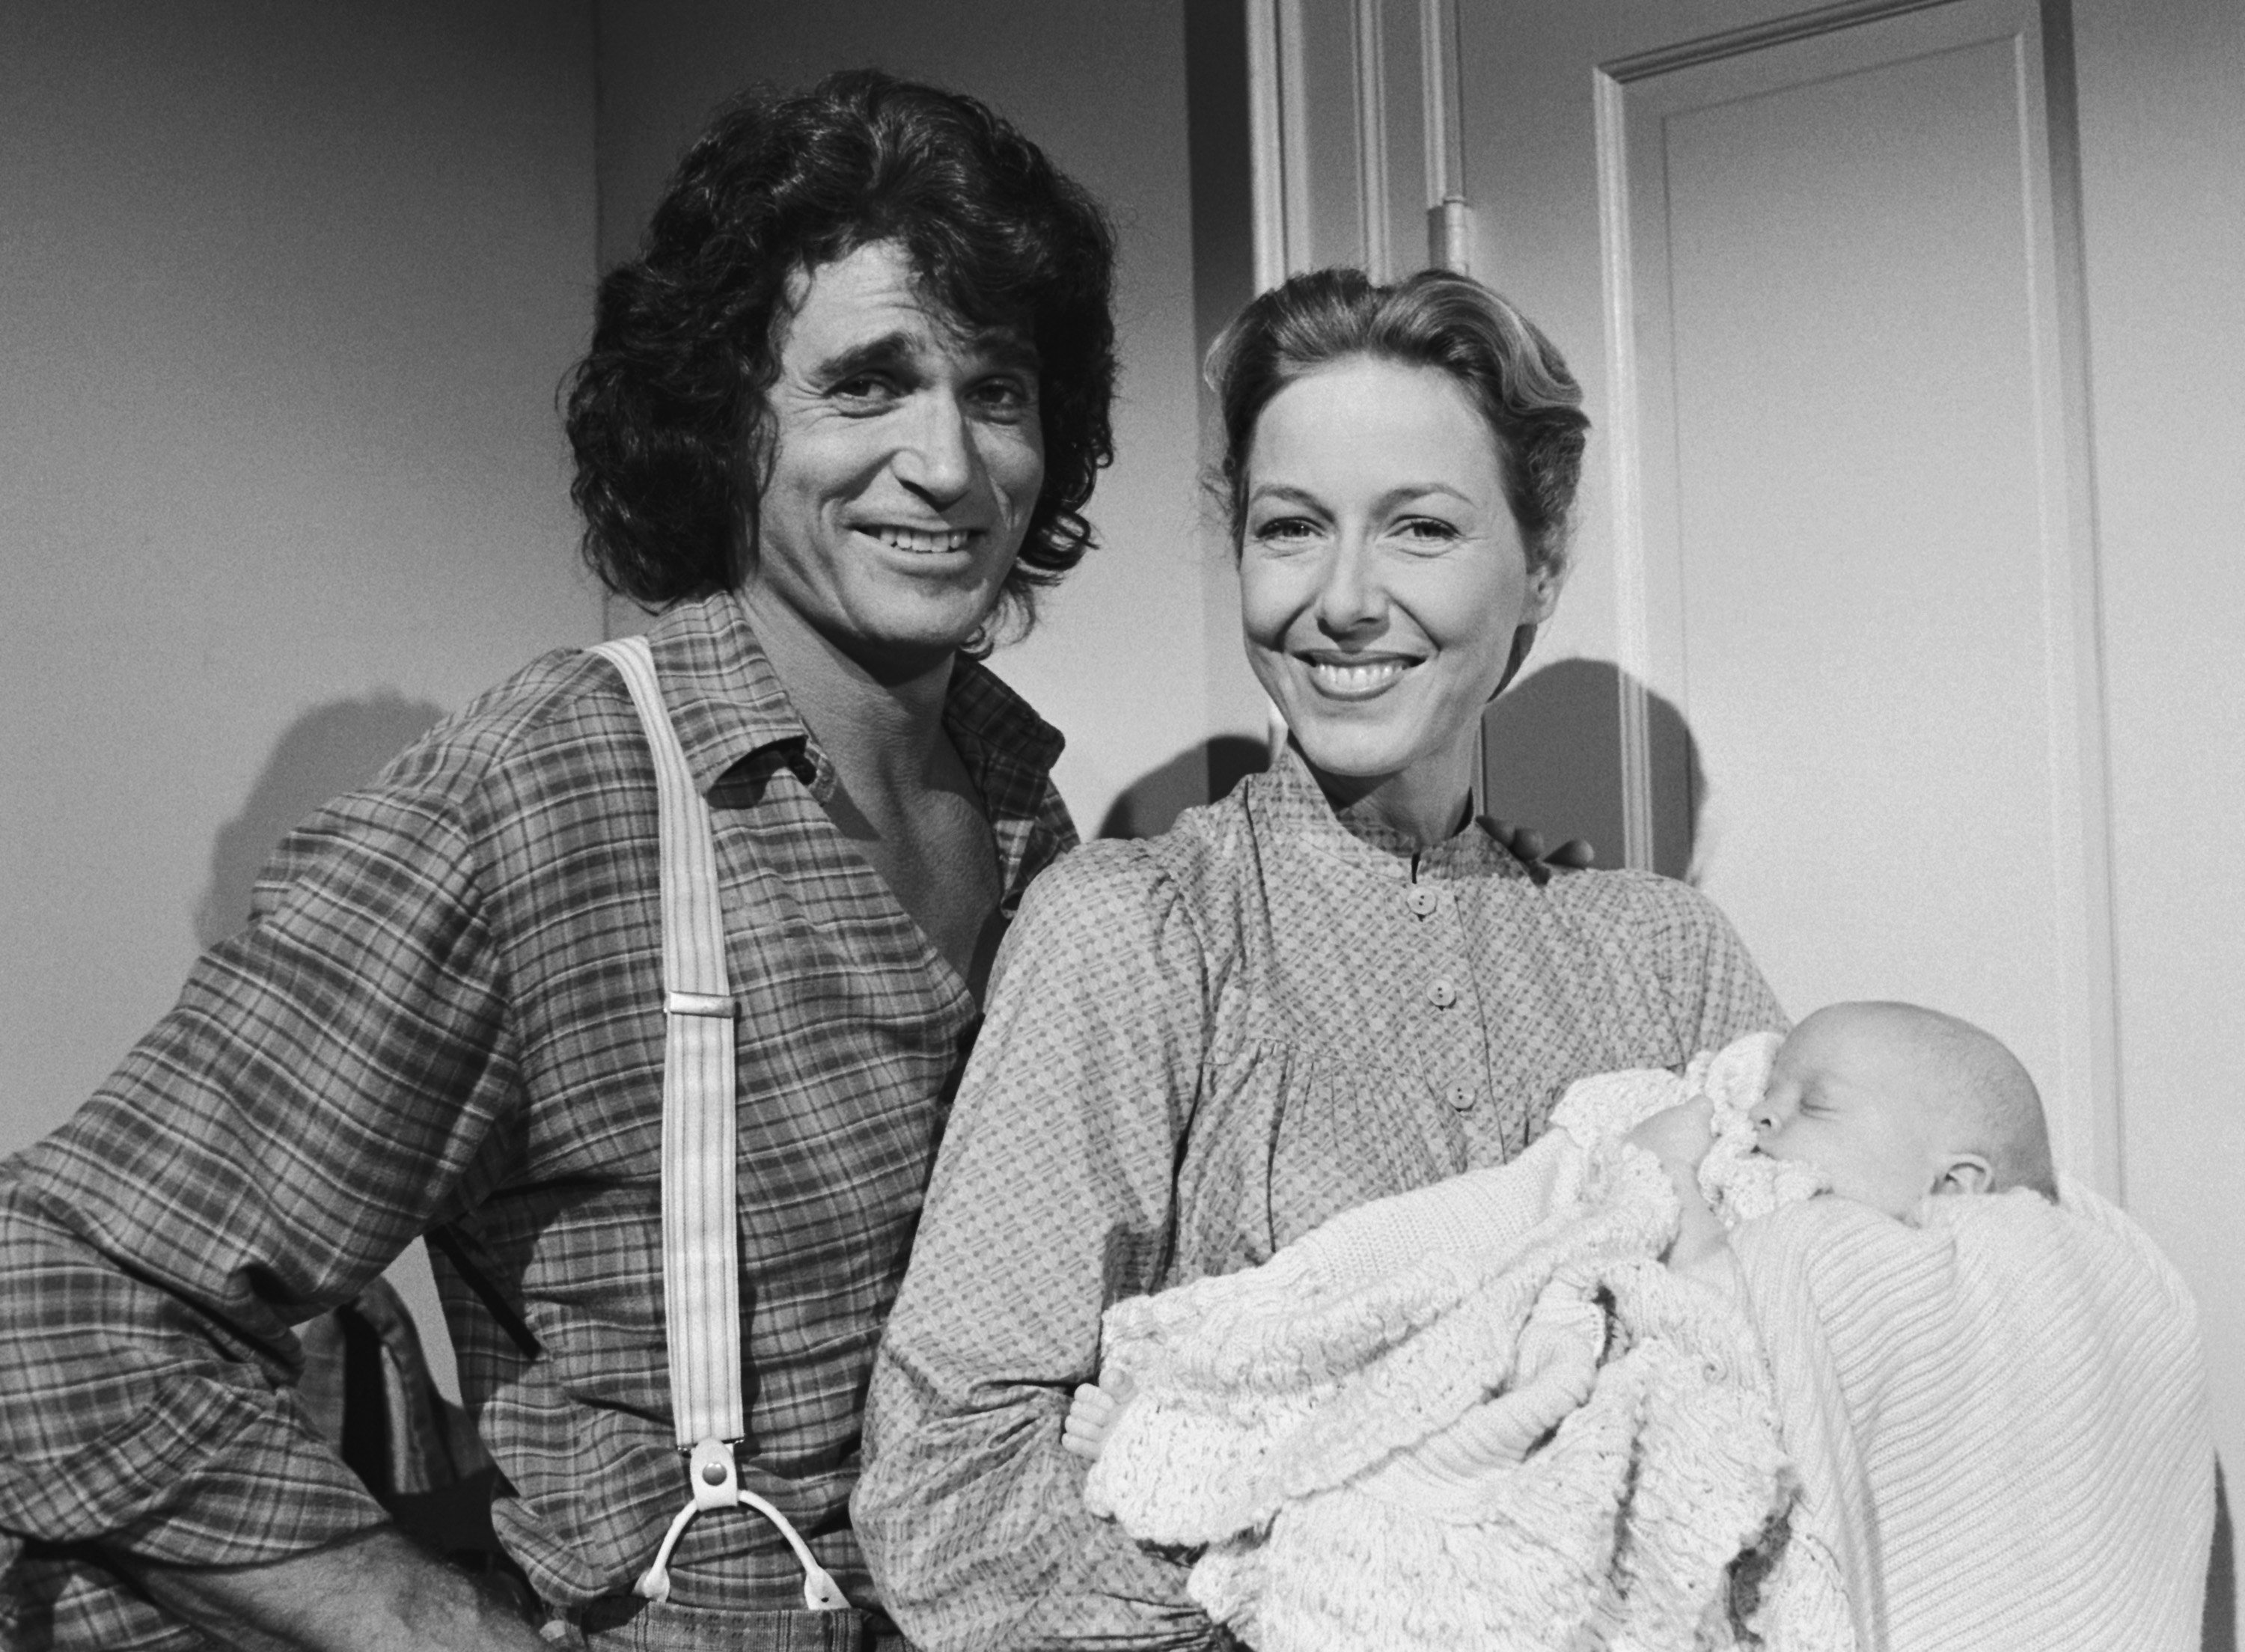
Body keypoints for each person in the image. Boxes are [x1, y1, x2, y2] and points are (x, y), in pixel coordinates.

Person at [0, 70, 1114, 1651]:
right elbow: (52, 1301)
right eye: (867, 385)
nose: (948, 462)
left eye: (997, 390)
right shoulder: (555, 788)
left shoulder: (1023, 809)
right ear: (727, 423)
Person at [854, 266, 1789, 1649]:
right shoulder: (1135, 931)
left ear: (1538, 561)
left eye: (1420, 527)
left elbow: (1809, 1375)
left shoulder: (1665, 961)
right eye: (1293, 528)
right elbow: (950, 1489)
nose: (1345, 599)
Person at [1059, 998, 2061, 1468]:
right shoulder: (1778, 1179)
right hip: (1563, 1357)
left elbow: (1728, 1309)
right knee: (1422, 1350)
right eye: (1769, 1090)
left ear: (1955, 1183)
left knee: (1433, 1452)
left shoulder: (1888, 1266)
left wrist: (1666, 1172)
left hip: (1640, 1440)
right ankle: (1210, 1407)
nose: (1759, 1116)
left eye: (1813, 1104)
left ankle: (1214, 1451)